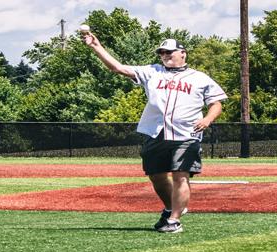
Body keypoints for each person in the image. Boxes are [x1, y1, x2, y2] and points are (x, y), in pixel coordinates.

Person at [81, 31, 226, 233]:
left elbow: (216, 103)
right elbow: (117, 68)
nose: (165, 55)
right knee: (156, 176)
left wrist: (208, 119)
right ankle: (170, 209)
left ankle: (175, 220)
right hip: (155, 132)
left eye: (169, 52)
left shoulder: (199, 78)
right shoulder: (153, 72)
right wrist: (96, 46)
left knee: (180, 175)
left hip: (186, 133)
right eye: (162, 53)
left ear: (183, 53)